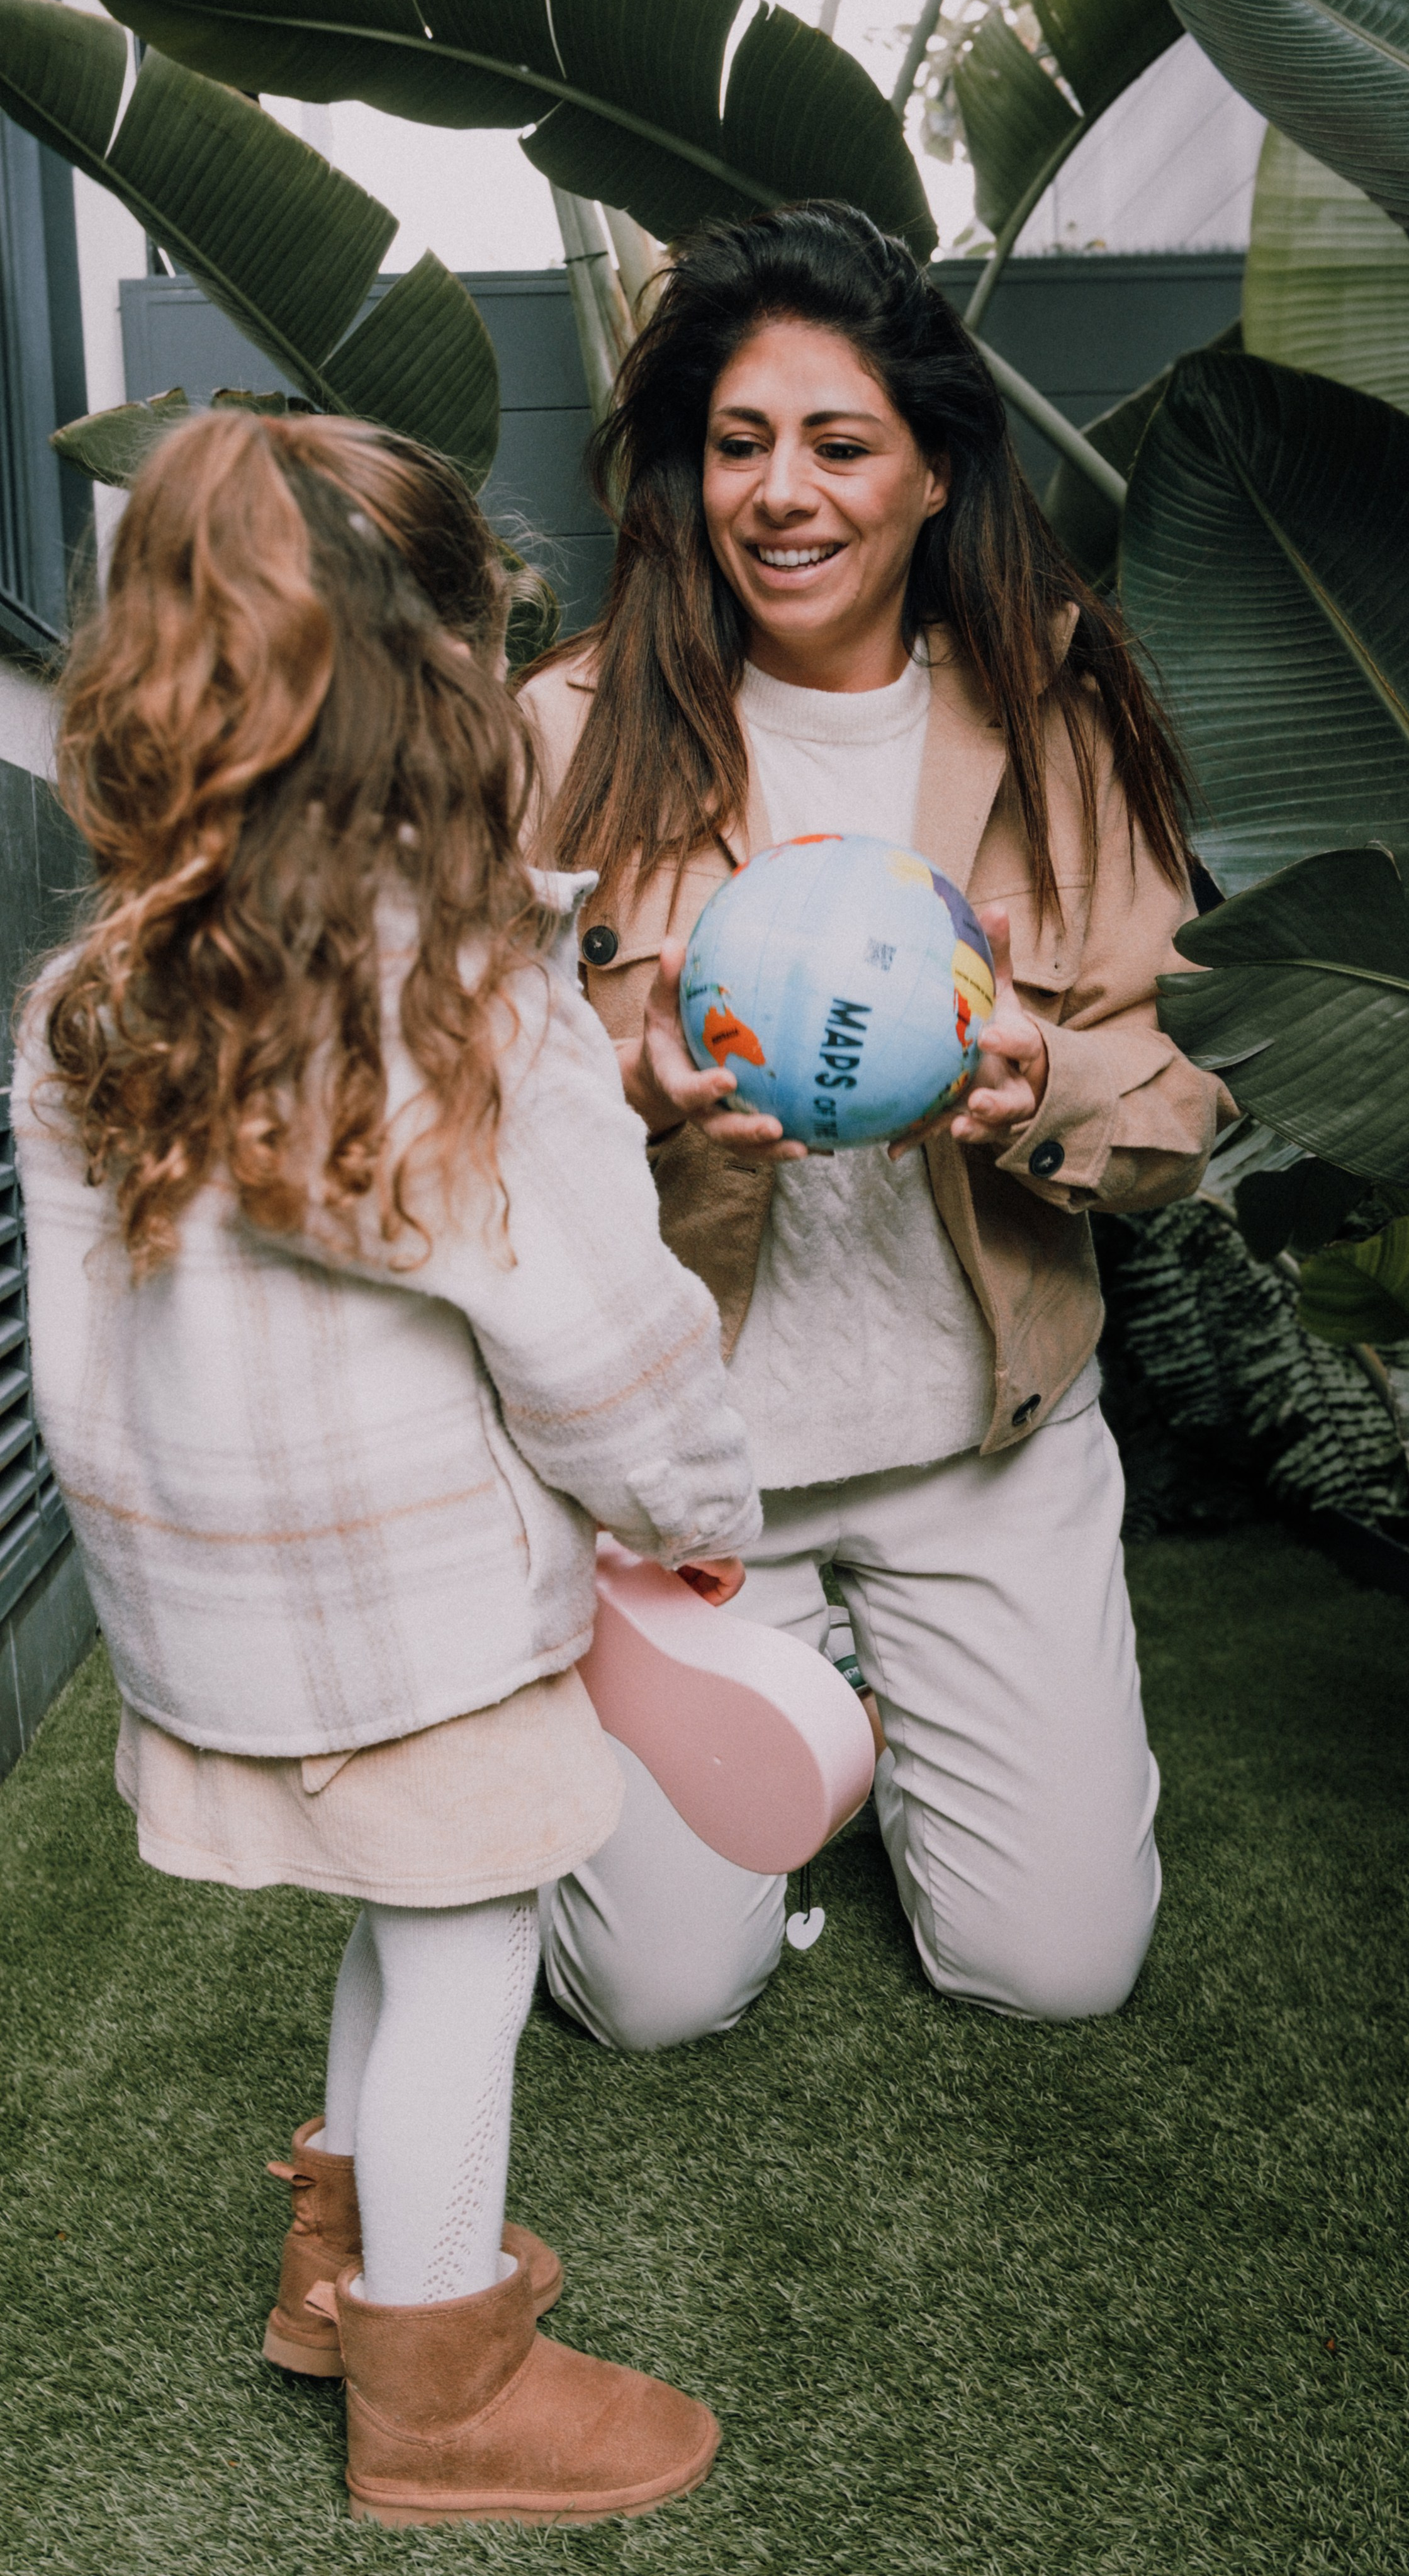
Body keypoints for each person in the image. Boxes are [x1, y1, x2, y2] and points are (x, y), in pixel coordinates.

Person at [13, 408, 761, 2528]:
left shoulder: (97, 995)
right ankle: (441, 2390)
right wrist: (696, 1521)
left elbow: (93, 1347)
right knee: (461, 1964)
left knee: (401, 1925)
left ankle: (333, 2277)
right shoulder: (464, 1003)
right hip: (427, 1622)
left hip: (222, 1623)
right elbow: (597, 1340)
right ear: (452, 674)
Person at [518, 200, 1230, 2054]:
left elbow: (1175, 1112)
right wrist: (629, 1097)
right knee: (652, 1999)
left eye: (838, 445)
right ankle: (770, 1651)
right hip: (683, 1481)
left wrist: (1038, 1088)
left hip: (974, 1445)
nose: (782, 492)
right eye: (738, 443)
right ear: (689, 471)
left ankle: (895, 1666)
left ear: (930, 473)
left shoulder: (1061, 725)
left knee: (1053, 1965)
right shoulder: (565, 733)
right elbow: (452, 1114)